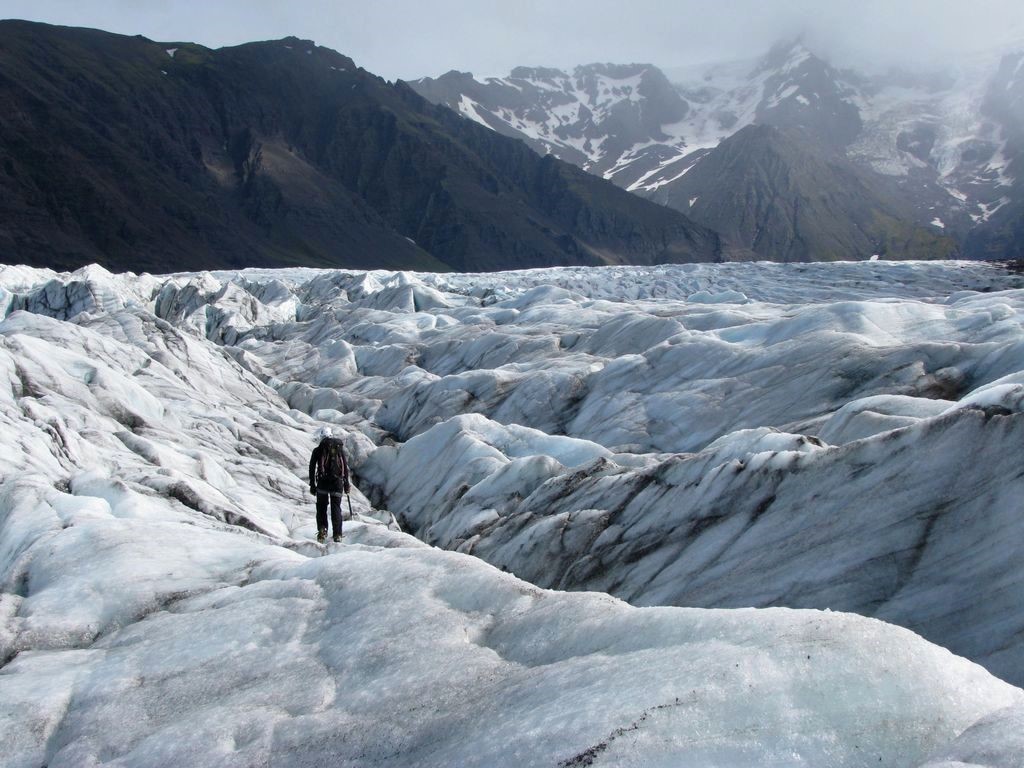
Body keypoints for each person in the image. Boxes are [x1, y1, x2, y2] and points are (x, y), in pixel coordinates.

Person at [309, 426, 349, 543]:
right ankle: (337, 535)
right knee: (336, 508)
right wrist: (346, 484)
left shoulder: (318, 450)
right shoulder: (339, 449)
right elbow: (344, 468)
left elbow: (312, 468)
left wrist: (312, 485)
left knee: (321, 507)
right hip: (337, 483)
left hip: (322, 483)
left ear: (321, 437)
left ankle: (322, 530)